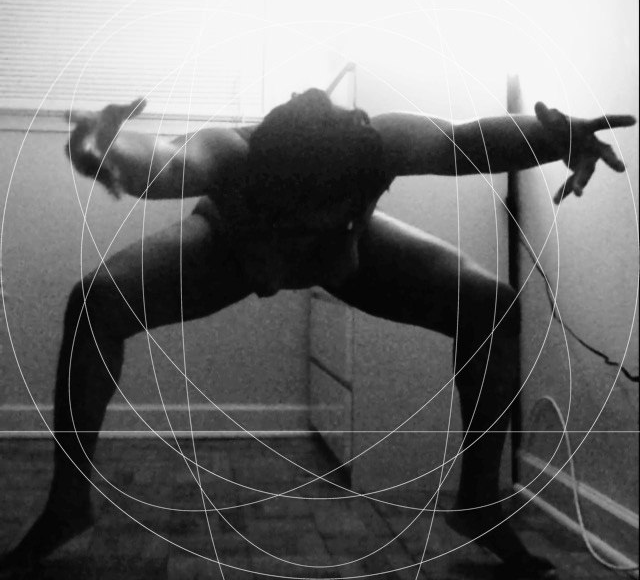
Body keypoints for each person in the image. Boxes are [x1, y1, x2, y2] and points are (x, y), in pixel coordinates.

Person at [0, 88, 635, 579]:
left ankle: (479, 502)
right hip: (232, 248)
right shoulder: (229, 155)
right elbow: (163, 162)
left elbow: (467, 140)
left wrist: (559, 135)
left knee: (492, 304)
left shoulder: (379, 145)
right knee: (96, 301)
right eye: (299, 226)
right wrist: (105, 148)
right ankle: (66, 503)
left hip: (348, 252)